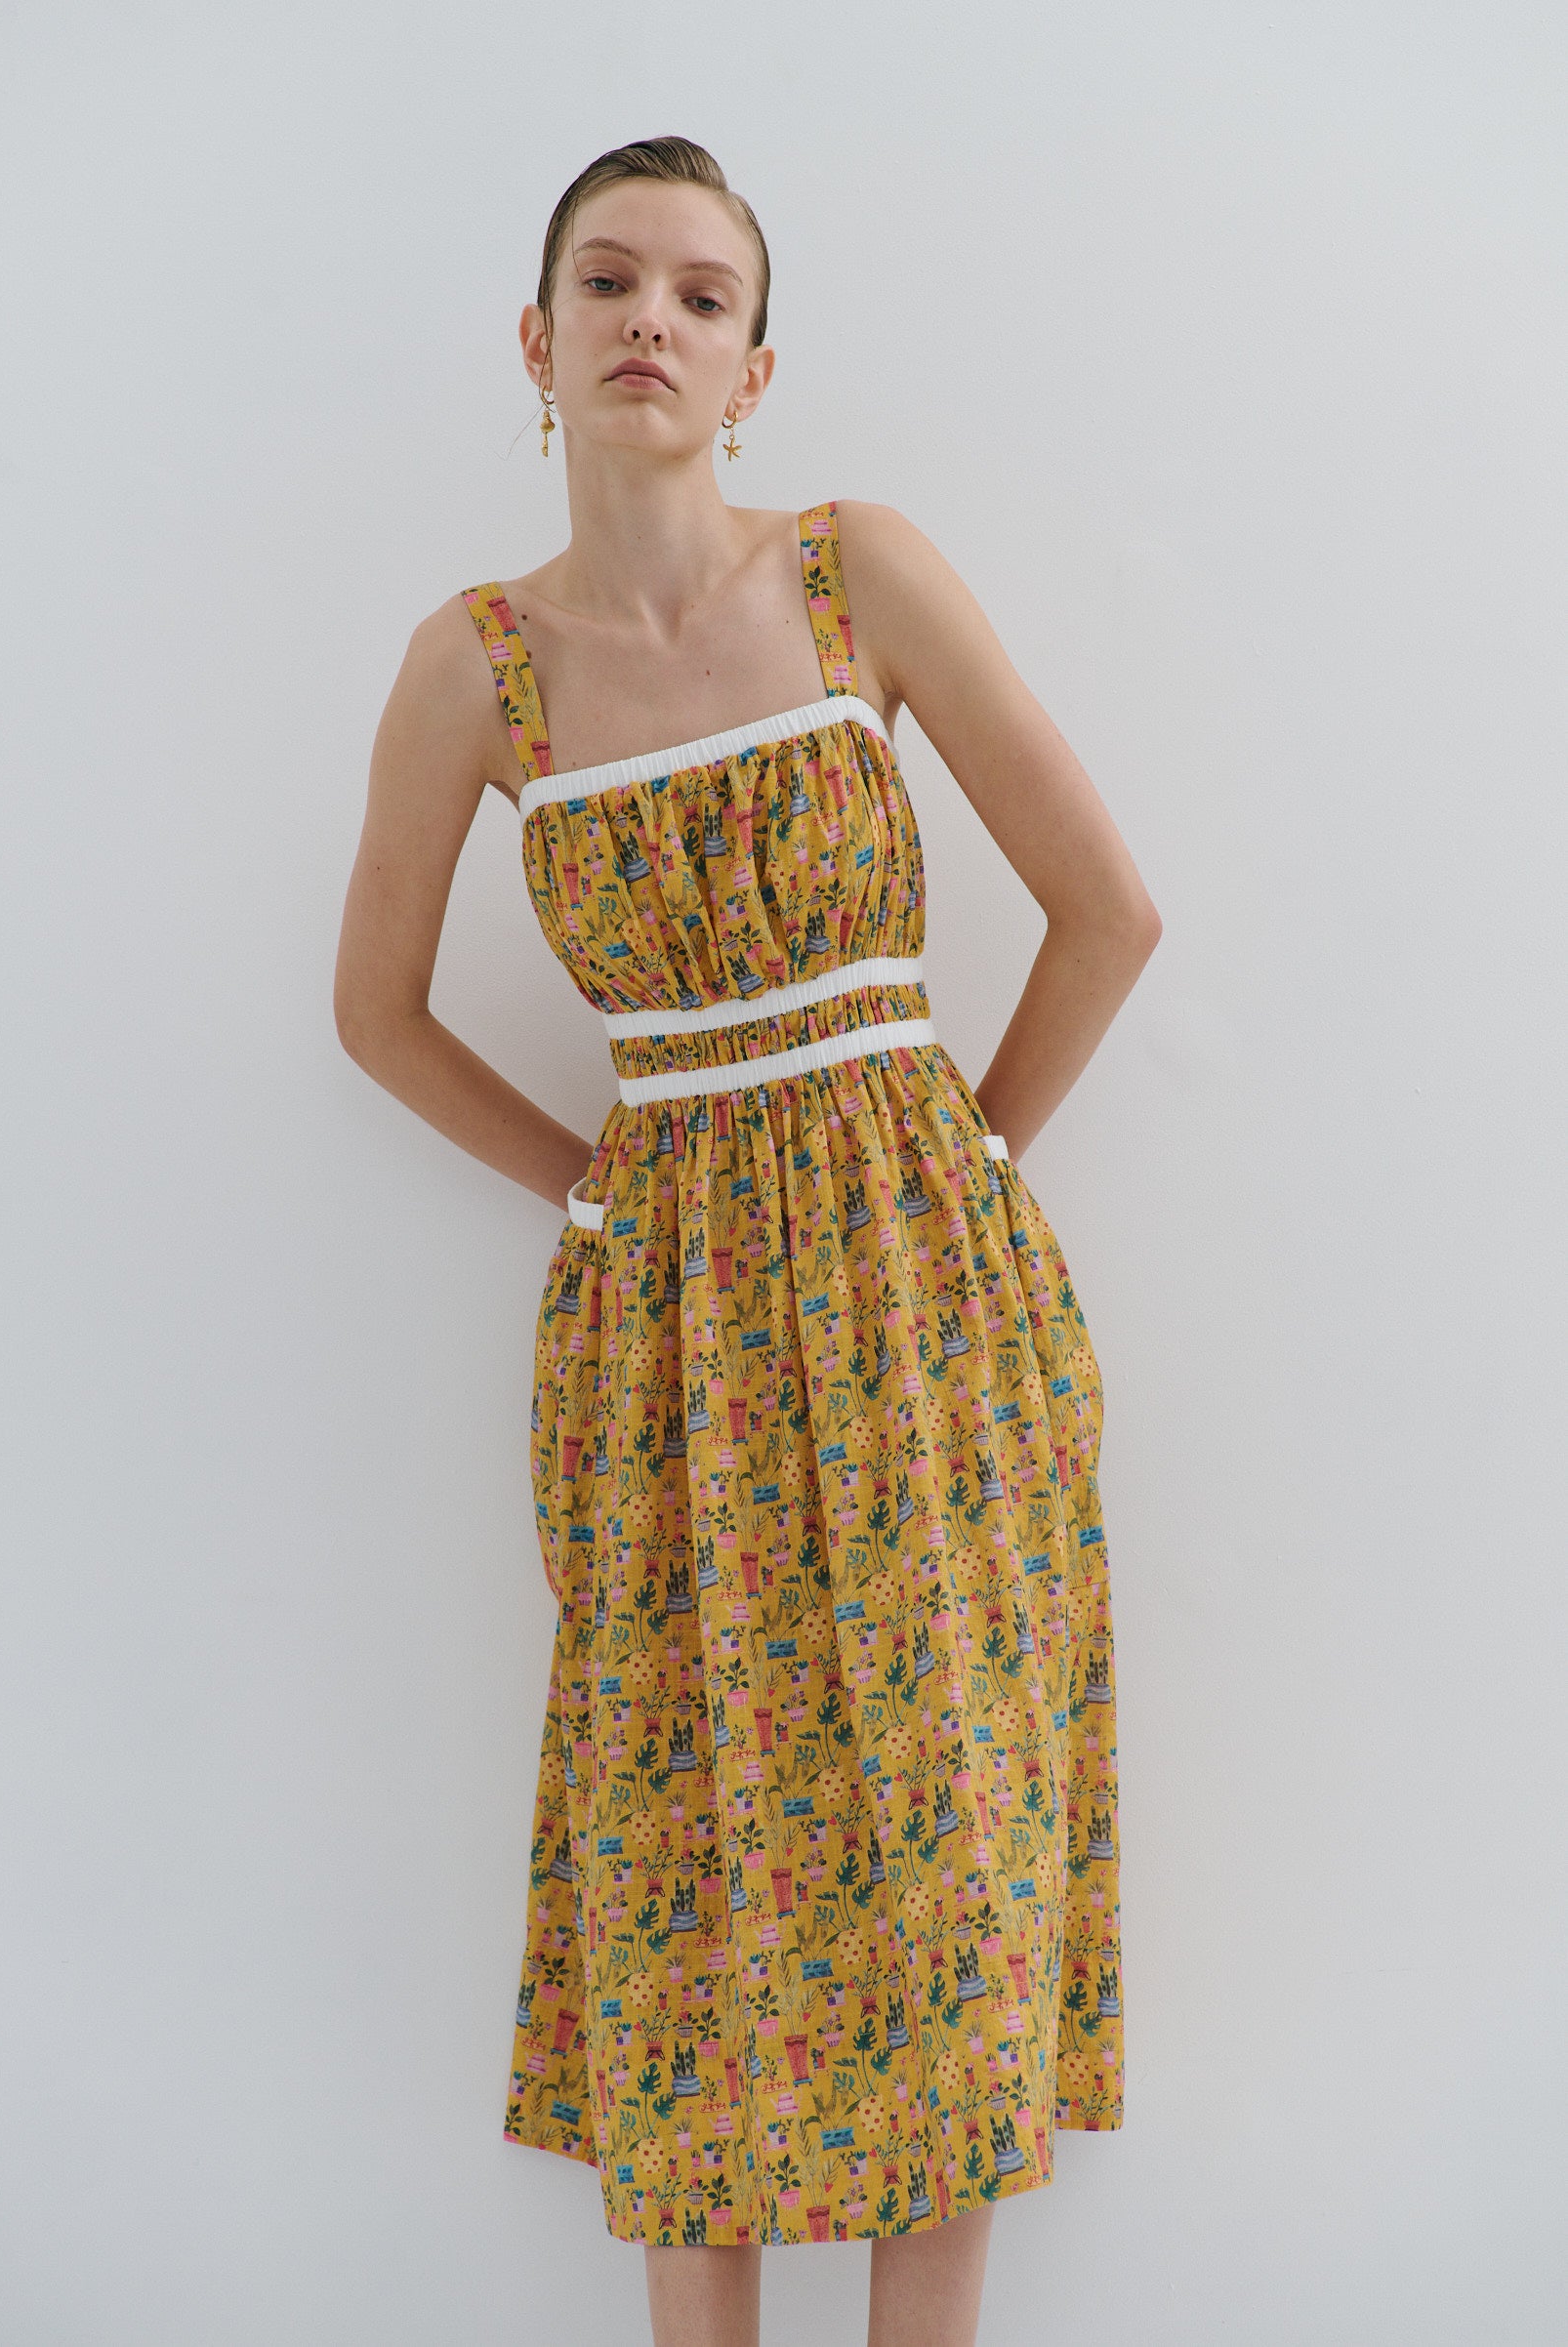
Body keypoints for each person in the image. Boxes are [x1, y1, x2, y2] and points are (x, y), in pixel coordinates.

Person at [334, 135, 1160, 2347]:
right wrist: (596, 1186)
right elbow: (371, 1009)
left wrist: (959, 1167)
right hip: (664, 1336)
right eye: (607, 281)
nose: (649, 320)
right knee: (687, 1846)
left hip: (925, 1309)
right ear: (534, 340)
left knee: (948, 1853)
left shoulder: (854, 574)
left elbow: (1111, 911)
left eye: (701, 294)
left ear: (755, 362)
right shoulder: (479, 669)